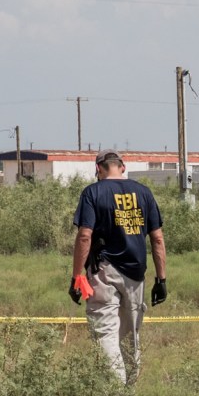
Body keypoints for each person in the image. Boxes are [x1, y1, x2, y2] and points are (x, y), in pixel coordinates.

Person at [69, 151, 168, 384]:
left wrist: (76, 277)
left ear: (98, 169)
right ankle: (129, 393)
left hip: (105, 272)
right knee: (130, 337)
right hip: (137, 275)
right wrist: (161, 280)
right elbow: (157, 239)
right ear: (122, 167)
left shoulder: (93, 192)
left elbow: (85, 236)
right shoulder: (144, 193)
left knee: (105, 334)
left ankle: (114, 393)